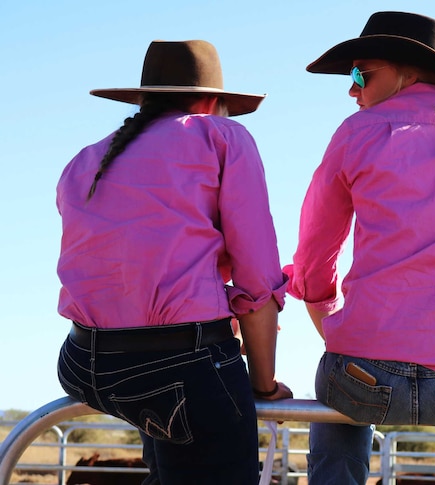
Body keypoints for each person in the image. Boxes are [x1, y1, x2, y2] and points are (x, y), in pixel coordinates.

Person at [284, 11, 435, 485]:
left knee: (333, 394)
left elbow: (315, 258)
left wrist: (332, 322)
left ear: (407, 71)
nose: (352, 89)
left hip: (363, 377)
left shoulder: (355, 136)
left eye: (360, 74)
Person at [55, 40, 293, 485]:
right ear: (211, 102)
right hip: (177, 366)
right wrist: (262, 385)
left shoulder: (85, 160)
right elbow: (257, 279)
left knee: (168, 445)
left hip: (80, 362)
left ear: (144, 99)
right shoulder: (221, 136)